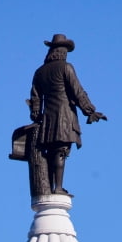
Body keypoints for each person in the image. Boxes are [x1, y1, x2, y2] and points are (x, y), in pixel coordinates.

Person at [29, 33, 107, 194]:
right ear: (61, 51)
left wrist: (36, 114)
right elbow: (77, 91)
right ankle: (57, 187)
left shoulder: (40, 72)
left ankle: (52, 186)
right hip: (64, 116)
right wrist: (89, 111)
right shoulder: (66, 67)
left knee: (51, 152)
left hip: (48, 118)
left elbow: (35, 97)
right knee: (61, 151)